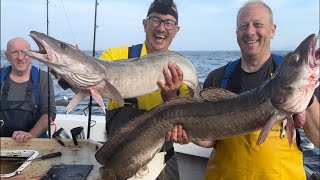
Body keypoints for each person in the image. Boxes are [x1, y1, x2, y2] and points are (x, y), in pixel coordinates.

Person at [168, 0, 320, 179]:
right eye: (243, 26)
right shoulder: (217, 78)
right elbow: (210, 140)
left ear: (272, 30)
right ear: (237, 33)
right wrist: (189, 133)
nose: (250, 32)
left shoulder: (298, 79)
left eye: (258, 25)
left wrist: (307, 100)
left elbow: (317, 139)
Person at [98, 0, 192, 179]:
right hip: (121, 158)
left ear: (176, 30)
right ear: (145, 24)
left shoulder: (183, 71)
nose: (161, 28)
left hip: (163, 156)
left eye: (169, 23)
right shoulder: (115, 57)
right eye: (155, 20)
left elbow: (188, 120)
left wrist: (171, 98)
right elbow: (89, 75)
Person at [0, 37, 57, 143]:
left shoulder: (43, 78)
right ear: (7, 56)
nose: (20, 57)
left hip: (35, 142)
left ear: (32, 55)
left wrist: (31, 134)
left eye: (25, 52)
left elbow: (48, 114)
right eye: (14, 52)